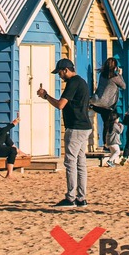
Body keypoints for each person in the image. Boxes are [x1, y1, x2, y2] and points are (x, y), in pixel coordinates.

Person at [38, 58, 92, 207]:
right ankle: (81, 198)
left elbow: (60, 105)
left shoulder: (73, 83)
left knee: (70, 162)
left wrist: (46, 96)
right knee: (81, 163)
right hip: (85, 126)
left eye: (60, 73)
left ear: (66, 70)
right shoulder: (82, 82)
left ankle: (71, 198)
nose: (59, 76)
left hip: (76, 127)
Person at [90, 58, 127, 149]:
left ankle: (106, 143)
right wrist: (120, 74)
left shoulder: (102, 75)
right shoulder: (115, 77)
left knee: (106, 123)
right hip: (108, 105)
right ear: (115, 67)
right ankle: (108, 144)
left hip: (97, 102)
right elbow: (124, 86)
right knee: (109, 124)